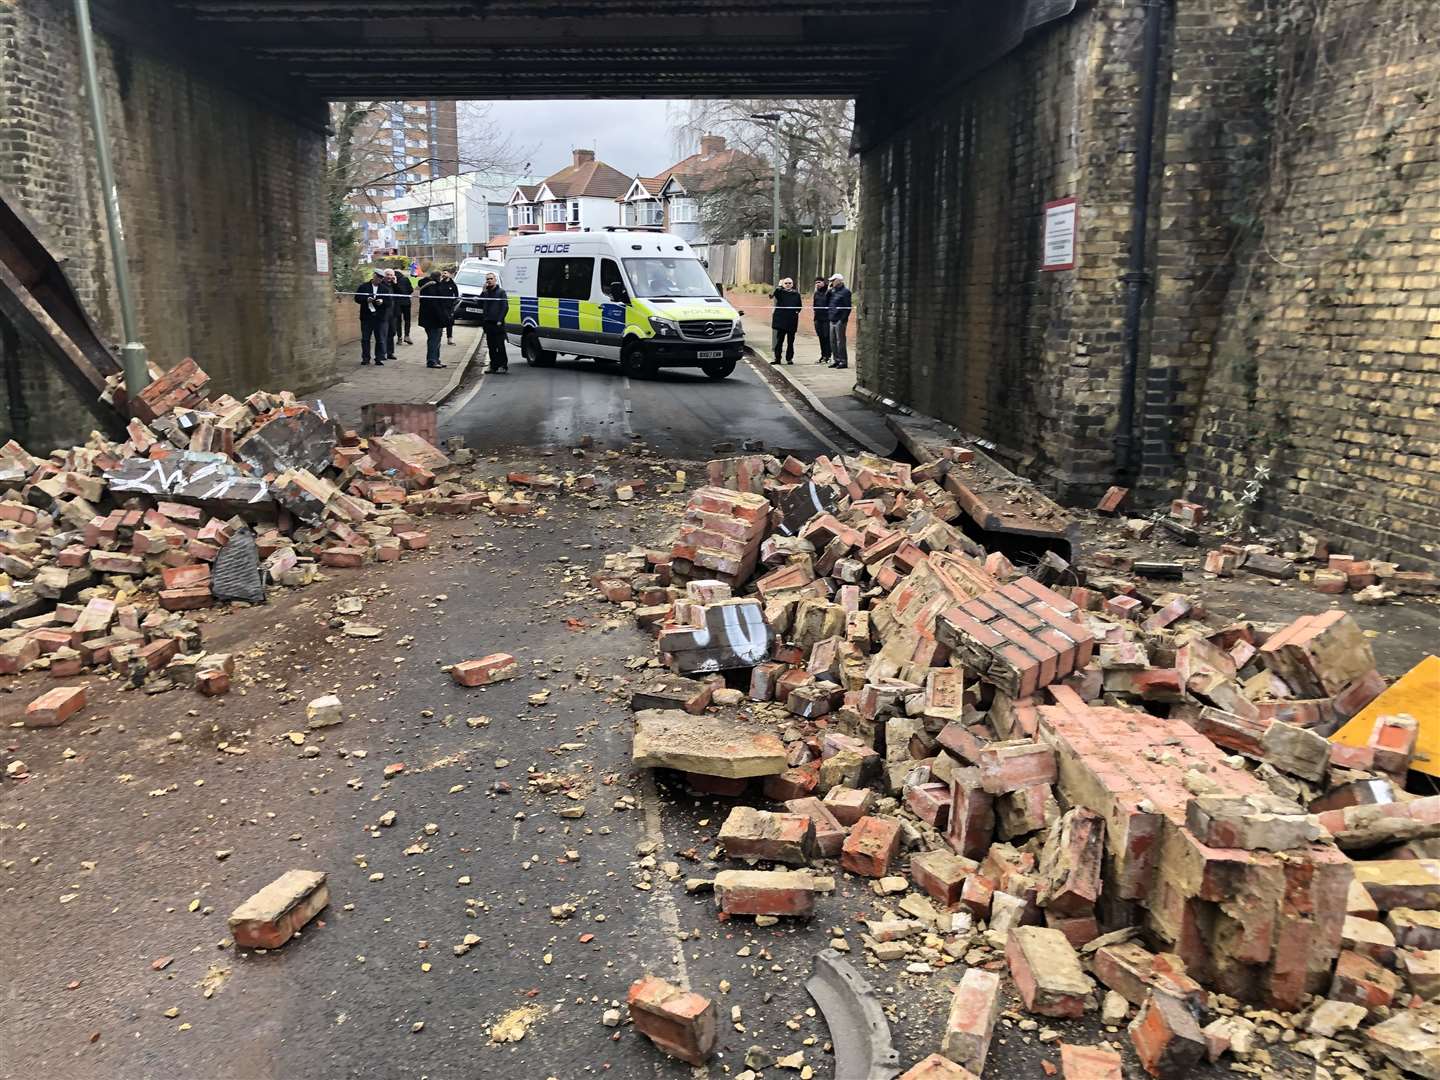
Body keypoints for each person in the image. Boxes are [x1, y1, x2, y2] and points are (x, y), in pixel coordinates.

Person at [355, 270, 389, 366]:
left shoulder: (384, 289)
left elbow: (389, 302)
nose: (380, 279)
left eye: (382, 278)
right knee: (365, 339)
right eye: (378, 277)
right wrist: (366, 300)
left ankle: (378, 358)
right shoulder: (364, 286)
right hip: (366, 317)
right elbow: (357, 298)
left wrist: (382, 302)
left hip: (379, 317)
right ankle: (365, 358)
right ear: (374, 276)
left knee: (380, 339)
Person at [477, 270, 509, 373]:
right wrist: (482, 291)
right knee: (491, 346)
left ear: (495, 280)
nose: (489, 281)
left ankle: (503, 366)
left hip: (497, 323)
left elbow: (505, 307)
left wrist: (500, 320)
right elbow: (479, 304)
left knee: (500, 346)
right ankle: (494, 366)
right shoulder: (486, 292)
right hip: (488, 323)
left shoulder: (501, 292)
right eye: (487, 279)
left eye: (491, 279)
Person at [417, 270, 450, 369]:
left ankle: (436, 359)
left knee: (436, 339)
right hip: (433, 319)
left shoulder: (427, 286)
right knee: (434, 340)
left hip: (428, 318)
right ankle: (432, 360)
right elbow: (436, 304)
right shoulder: (433, 287)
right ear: (438, 277)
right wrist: (443, 317)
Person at [770, 277, 800, 365]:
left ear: (792, 284)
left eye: (789, 283)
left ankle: (789, 359)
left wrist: (795, 313)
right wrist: (779, 286)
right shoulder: (780, 292)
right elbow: (774, 294)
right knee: (779, 341)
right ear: (783, 284)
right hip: (781, 321)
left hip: (791, 321)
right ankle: (777, 358)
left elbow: (799, 306)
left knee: (790, 342)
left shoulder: (796, 294)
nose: (788, 285)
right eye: (786, 283)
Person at [826, 273, 852, 370]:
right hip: (832, 318)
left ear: (839, 280)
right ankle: (836, 360)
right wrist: (828, 291)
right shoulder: (832, 291)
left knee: (840, 341)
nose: (831, 282)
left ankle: (843, 361)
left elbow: (847, 307)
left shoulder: (845, 292)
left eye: (833, 280)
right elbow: (827, 302)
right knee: (832, 341)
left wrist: (843, 319)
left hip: (840, 319)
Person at [389, 267, 415, 346]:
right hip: (406, 302)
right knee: (407, 320)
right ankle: (407, 336)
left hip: (397, 303)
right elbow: (411, 290)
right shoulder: (406, 279)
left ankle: (399, 337)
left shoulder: (392, 280)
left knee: (398, 321)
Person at [811, 277, 832, 365]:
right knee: (821, 338)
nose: (817, 284)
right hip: (818, 318)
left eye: (819, 282)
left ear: (823, 282)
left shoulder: (829, 292)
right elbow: (814, 305)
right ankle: (823, 355)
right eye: (816, 283)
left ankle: (828, 356)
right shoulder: (816, 293)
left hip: (826, 319)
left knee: (827, 337)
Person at [380, 270, 400, 359]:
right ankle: (382, 353)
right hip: (384, 313)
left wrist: (395, 283)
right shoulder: (381, 285)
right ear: (384, 276)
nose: (389, 277)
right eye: (387, 275)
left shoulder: (393, 285)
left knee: (392, 333)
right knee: (383, 333)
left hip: (393, 313)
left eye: (391, 275)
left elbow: (401, 294)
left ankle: (390, 352)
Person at [438, 269, 460, 344]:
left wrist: (453, 304)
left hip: (449, 306)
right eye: (442, 273)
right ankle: (438, 338)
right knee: (440, 321)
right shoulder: (440, 283)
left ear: (449, 274)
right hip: (441, 306)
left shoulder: (453, 284)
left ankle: (449, 338)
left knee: (449, 322)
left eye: (445, 273)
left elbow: (456, 296)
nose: (443, 274)